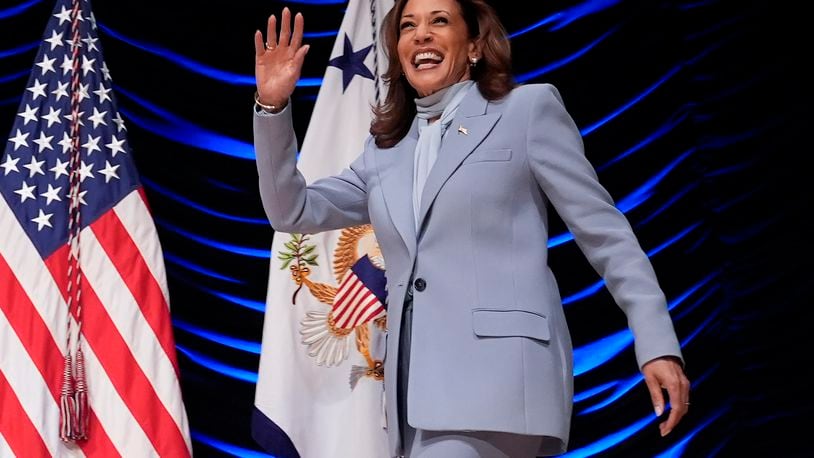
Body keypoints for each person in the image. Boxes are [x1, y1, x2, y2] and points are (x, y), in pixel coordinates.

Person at [252, 0, 691, 456]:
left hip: (498, 383)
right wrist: (272, 107)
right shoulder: (385, 152)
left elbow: (606, 235)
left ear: (475, 45)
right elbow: (292, 210)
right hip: (413, 398)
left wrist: (656, 342)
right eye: (407, 26)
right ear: (397, 52)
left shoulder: (526, 111)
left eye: (439, 21)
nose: (421, 34)